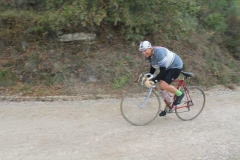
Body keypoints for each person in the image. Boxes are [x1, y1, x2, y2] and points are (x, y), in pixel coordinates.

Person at [139, 41, 185, 116]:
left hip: (175, 66)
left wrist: (153, 81)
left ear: (150, 48)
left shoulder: (158, 53)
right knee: (161, 86)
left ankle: (180, 94)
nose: (143, 53)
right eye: (142, 51)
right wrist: (148, 76)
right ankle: (169, 104)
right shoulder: (148, 55)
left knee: (163, 84)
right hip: (167, 67)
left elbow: (162, 71)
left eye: (145, 50)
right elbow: (153, 67)